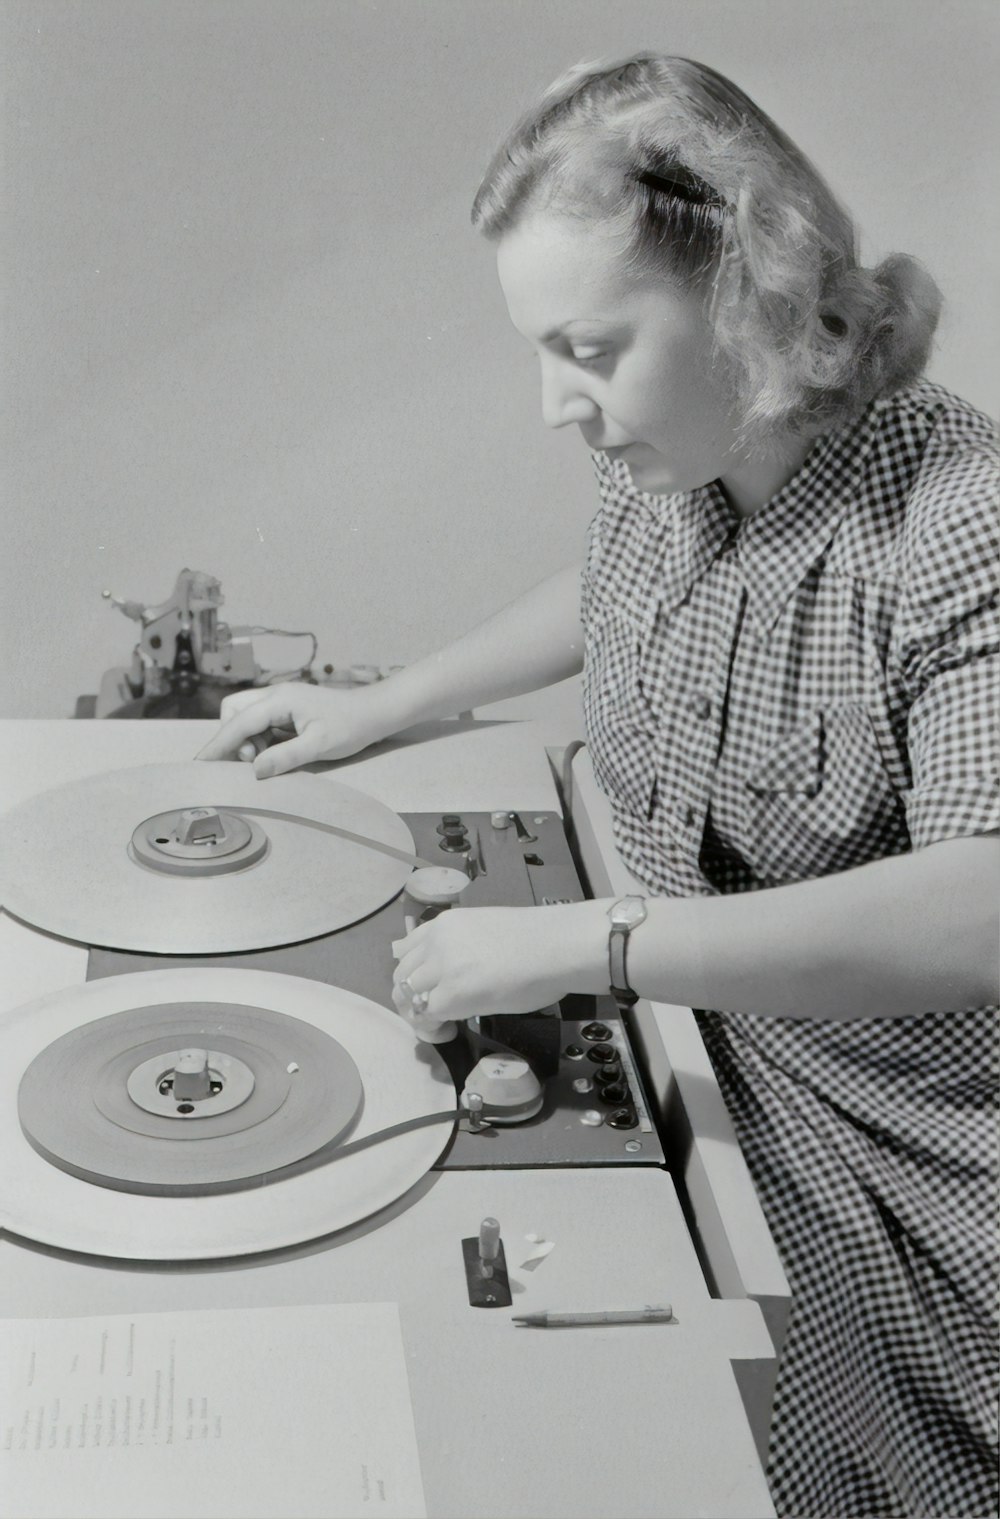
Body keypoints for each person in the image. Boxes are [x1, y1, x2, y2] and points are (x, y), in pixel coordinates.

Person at [197, 54, 998, 1519]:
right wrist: (387, 701)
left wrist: (593, 942)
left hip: (901, 1173)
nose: (552, 405)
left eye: (587, 345)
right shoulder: (676, 458)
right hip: (696, 1054)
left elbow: (984, 909)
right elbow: (619, 593)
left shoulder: (958, 526)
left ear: (751, 290)